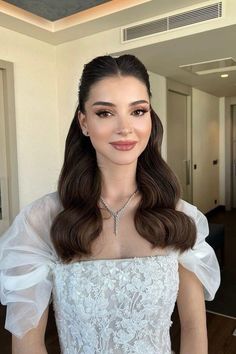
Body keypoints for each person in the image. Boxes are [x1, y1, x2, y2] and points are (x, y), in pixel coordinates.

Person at [0, 54, 220, 354]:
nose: (125, 128)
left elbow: (194, 329)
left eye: (138, 111)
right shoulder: (42, 221)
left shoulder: (180, 217)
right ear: (84, 122)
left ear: (150, 118)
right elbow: (27, 341)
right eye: (105, 113)